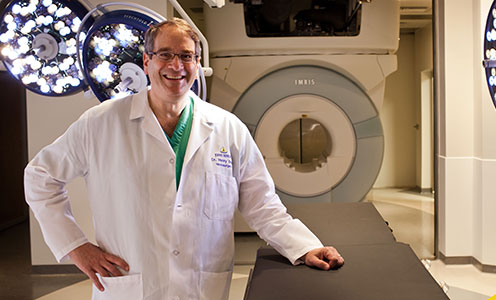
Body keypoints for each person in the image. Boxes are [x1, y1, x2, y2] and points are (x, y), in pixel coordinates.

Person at [24, 18, 344, 300]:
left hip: (200, 287)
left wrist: (305, 246)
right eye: (165, 54)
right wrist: (75, 247)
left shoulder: (227, 129)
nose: (176, 66)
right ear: (147, 61)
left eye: (186, 56)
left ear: (197, 62)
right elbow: (40, 176)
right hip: (131, 287)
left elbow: (262, 205)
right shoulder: (101, 123)